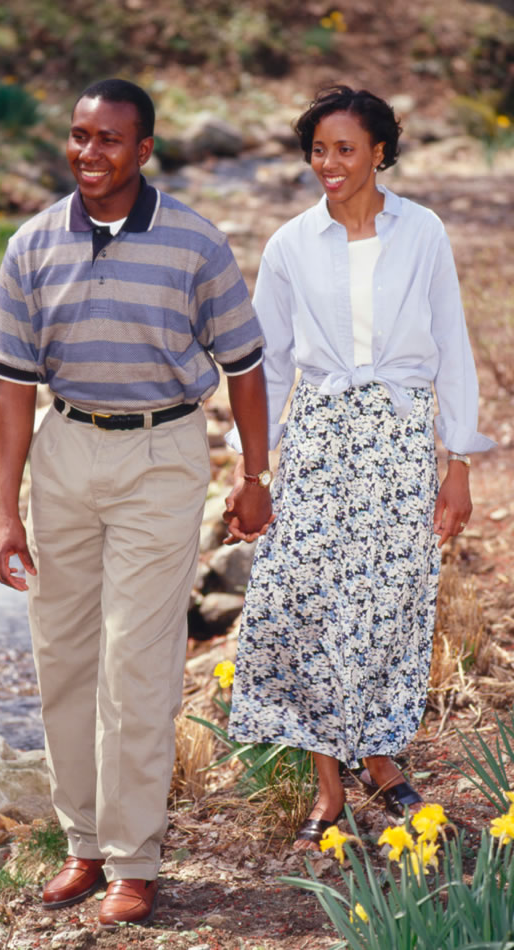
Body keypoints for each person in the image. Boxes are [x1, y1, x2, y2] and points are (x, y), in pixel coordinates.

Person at [0, 77, 273, 926]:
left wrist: (253, 479)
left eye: (109, 139)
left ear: (145, 149)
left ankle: (135, 861)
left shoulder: (195, 243)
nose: (89, 153)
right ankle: (83, 845)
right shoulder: (32, 245)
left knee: (137, 665)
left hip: (162, 454)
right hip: (64, 450)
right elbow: (11, 390)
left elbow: (245, 367)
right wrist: (5, 510)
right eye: (79, 136)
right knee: (65, 658)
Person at [224, 85, 494, 850]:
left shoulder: (424, 232)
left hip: (401, 439)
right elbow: (268, 366)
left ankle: (380, 759)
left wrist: (460, 463)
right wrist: (255, 474)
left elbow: (451, 347)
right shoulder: (288, 244)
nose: (330, 164)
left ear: (380, 151)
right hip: (317, 439)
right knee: (303, 597)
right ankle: (328, 789)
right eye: (318, 150)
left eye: (346, 149)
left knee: (387, 598)